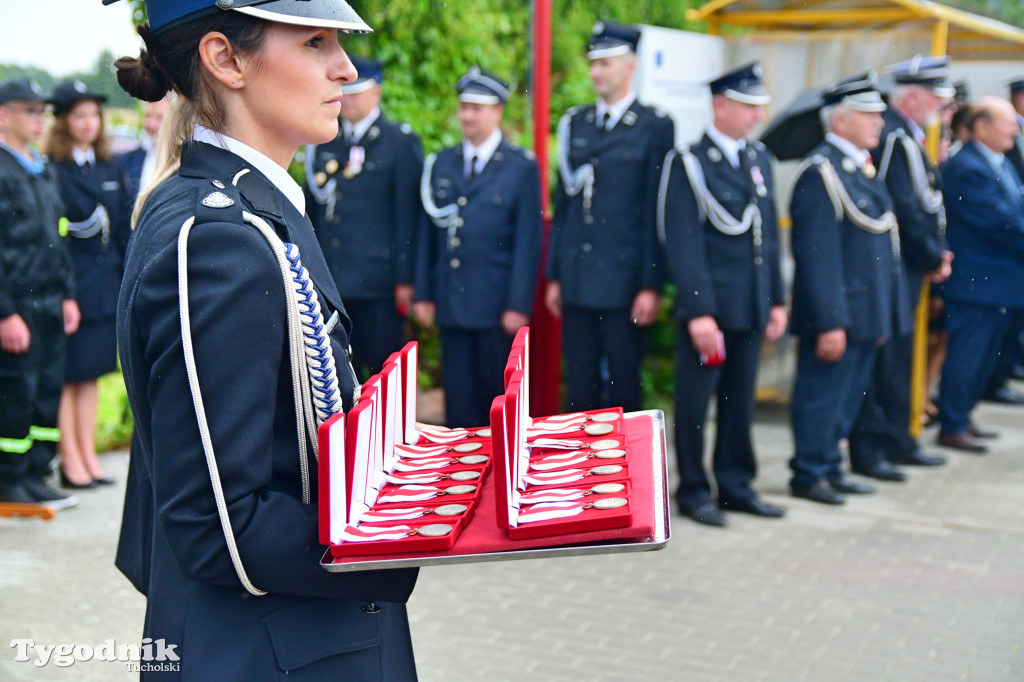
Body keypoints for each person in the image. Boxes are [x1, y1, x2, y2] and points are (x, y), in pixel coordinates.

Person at [105, 1, 418, 678]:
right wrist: (413, 534)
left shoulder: (243, 211)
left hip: (287, 636)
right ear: (226, 59)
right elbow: (216, 525)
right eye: (314, 41)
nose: (345, 67)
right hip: (274, 651)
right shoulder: (219, 240)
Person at [657, 63, 787, 527]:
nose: (756, 116)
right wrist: (699, 313)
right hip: (710, 310)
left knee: (739, 400)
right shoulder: (689, 162)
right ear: (722, 105)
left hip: (749, 304)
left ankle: (735, 485)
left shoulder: (759, 160)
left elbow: (768, 236)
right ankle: (692, 489)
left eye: (758, 107)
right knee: (695, 404)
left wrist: (775, 299)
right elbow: (684, 242)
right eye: (748, 107)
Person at [788, 73, 910, 505]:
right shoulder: (821, 172)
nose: (879, 123)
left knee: (846, 398)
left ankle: (829, 465)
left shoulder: (860, 166)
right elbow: (819, 258)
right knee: (822, 396)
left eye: (879, 115)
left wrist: (885, 313)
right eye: (868, 115)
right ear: (840, 120)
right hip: (838, 314)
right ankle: (809, 472)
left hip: (866, 310)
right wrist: (830, 321)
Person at [546, 20, 675, 413]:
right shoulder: (577, 123)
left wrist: (650, 284)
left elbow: (657, 210)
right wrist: (555, 274)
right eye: (593, 63)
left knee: (624, 389)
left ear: (630, 65)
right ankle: (581, 472)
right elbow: (564, 205)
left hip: (625, 283)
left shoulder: (654, 125)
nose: (596, 72)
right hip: (579, 277)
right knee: (579, 390)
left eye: (605, 63)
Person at [846, 56, 955, 482]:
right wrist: (930, 255)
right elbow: (903, 208)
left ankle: (895, 441)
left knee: (897, 358)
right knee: (887, 361)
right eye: (934, 97)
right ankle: (879, 445)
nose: (941, 107)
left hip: (910, 265)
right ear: (911, 95)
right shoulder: (894, 136)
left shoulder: (905, 133)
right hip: (897, 267)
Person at [414, 67, 542, 427]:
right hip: (452, 302)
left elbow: (527, 242)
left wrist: (518, 304)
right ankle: (462, 480)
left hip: (496, 306)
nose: (467, 115)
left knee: (496, 402)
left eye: (477, 108)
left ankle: (496, 481)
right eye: (464, 107)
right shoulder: (441, 163)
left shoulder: (520, 167)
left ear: (498, 111)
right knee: (458, 401)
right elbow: (428, 234)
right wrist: (424, 293)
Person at [305, 55, 423, 380]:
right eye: (346, 91)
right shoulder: (325, 138)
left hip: (378, 281)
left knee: (382, 372)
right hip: (332, 279)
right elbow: (313, 210)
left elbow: (407, 216)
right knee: (338, 373)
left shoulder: (399, 142)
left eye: (358, 91)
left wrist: (405, 279)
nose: (350, 99)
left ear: (377, 92)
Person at [0, 78, 81, 514]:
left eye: (41, 111)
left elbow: (59, 237)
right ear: (3, 115)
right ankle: (8, 479)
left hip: (51, 301)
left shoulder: (40, 166)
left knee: (47, 390)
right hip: (18, 306)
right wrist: (4, 313)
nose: (39, 119)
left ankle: (35, 474)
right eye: (28, 110)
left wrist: (68, 295)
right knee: (16, 393)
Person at [45, 79, 130, 490]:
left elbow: (120, 231)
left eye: (94, 114)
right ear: (63, 122)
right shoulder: (54, 170)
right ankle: (70, 459)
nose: (88, 123)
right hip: (75, 287)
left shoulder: (110, 166)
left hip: (106, 284)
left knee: (93, 374)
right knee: (71, 375)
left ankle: (88, 457)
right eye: (79, 115)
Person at [936, 97, 1024, 454]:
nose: (1015, 129)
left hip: (999, 282)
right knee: (968, 354)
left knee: (984, 356)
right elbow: (1000, 222)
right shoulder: (967, 166)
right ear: (981, 127)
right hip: (979, 283)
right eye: (1007, 122)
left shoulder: (997, 161)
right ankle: (952, 423)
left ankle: (963, 416)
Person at [121, 95, 171, 205]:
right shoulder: (127, 160)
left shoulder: (186, 161)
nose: (151, 124)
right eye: (147, 116)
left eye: (159, 117)